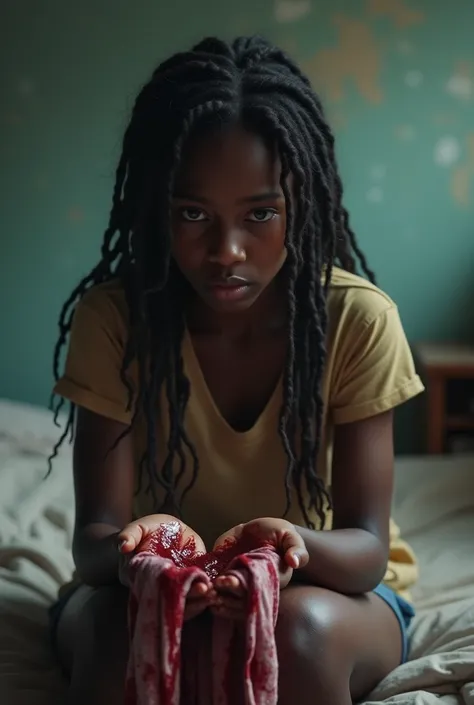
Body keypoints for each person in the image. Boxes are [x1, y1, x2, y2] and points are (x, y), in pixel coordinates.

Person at [49, 35, 424, 705]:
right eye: (193, 214)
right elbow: (92, 548)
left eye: (261, 214)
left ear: (300, 204)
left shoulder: (356, 321)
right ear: (155, 209)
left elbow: (367, 550)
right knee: (116, 638)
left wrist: (290, 545)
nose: (226, 251)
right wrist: (145, 556)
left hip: (326, 592)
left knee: (294, 634)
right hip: (150, 585)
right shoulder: (115, 322)